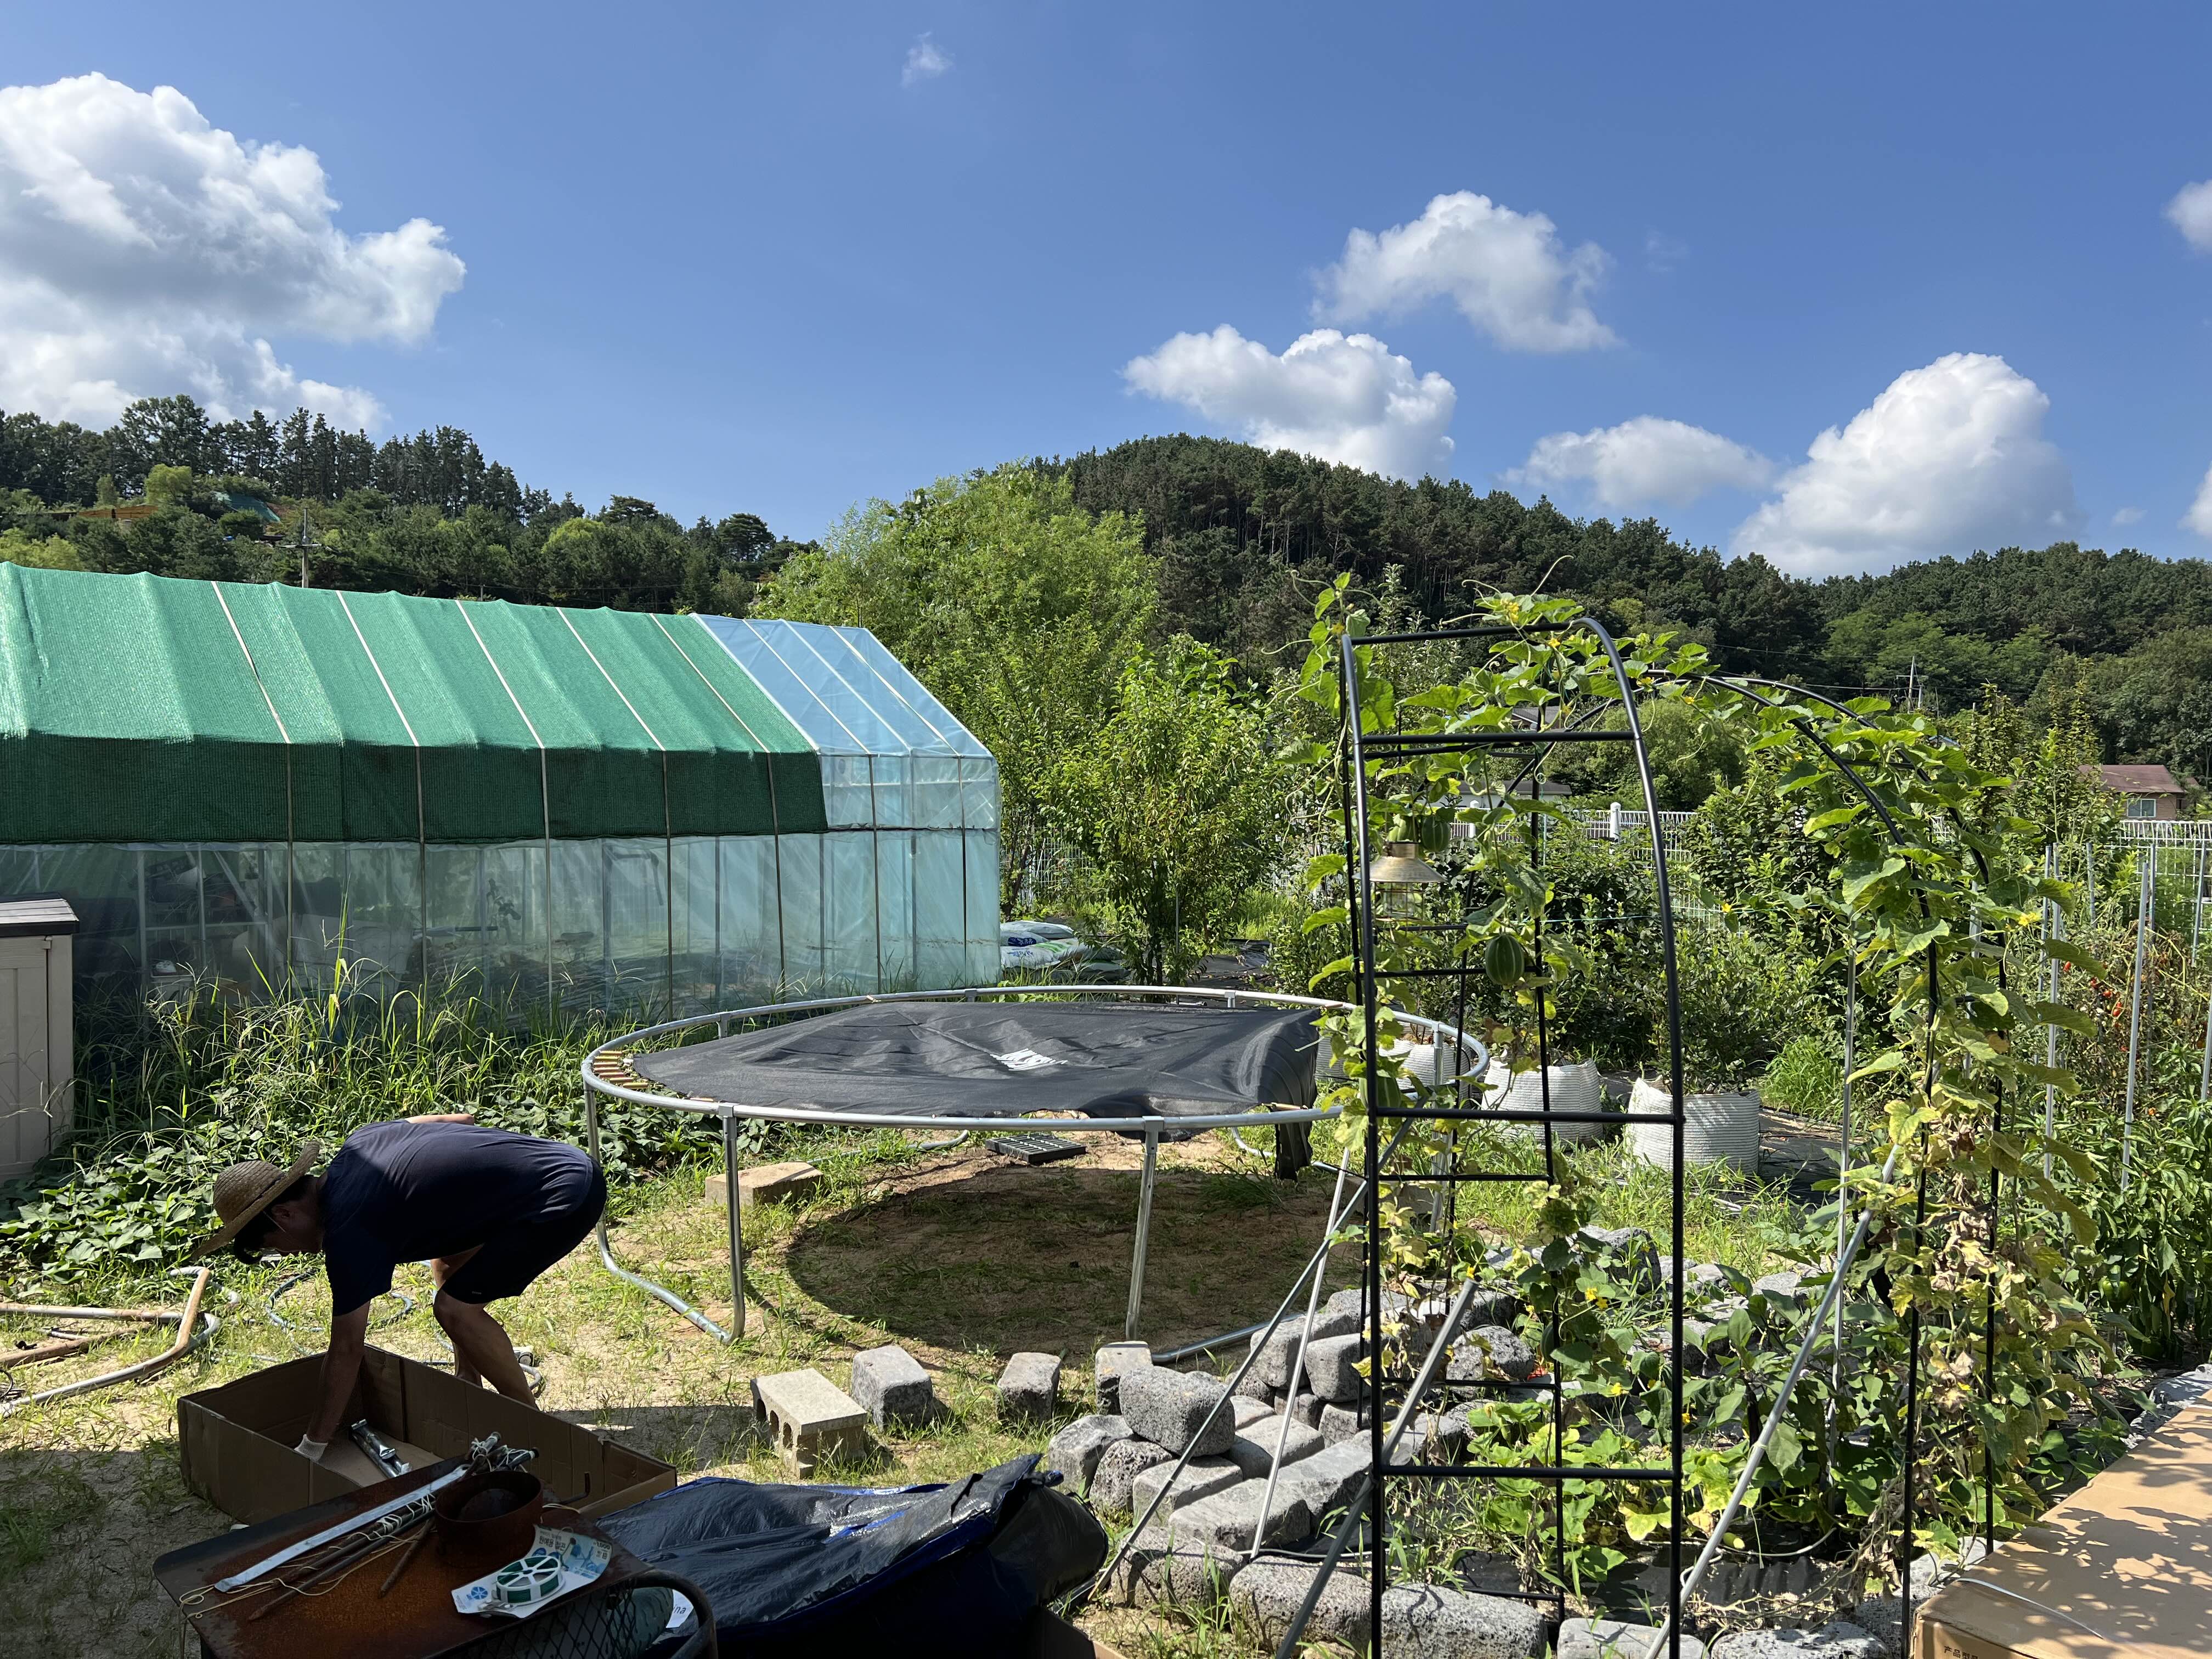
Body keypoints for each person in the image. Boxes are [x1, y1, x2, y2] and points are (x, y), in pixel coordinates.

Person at [198, 1113, 606, 1464]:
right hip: (562, 1161)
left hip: (563, 1198)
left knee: (454, 1310)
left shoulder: (349, 1231)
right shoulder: (360, 1143)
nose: (286, 1254)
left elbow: (346, 1351)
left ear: (284, 1214)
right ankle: (468, 1380)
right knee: (445, 1263)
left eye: (273, 1245)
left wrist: (312, 1447)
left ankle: (535, 1425)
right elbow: (461, 1121)